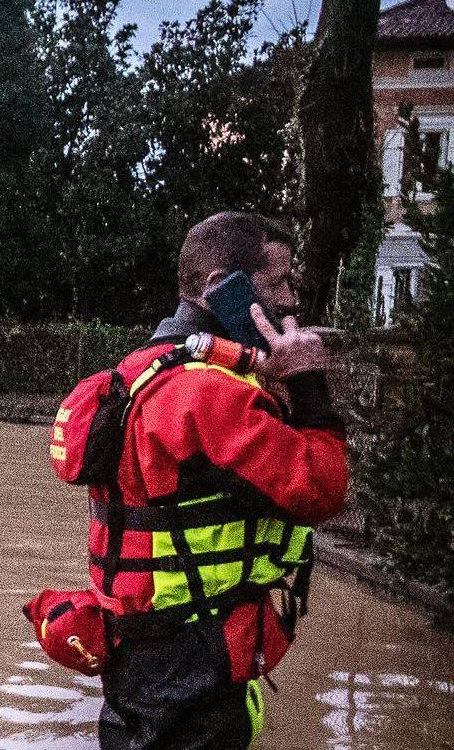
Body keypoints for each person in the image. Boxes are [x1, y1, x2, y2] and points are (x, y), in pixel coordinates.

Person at [86, 212, 347, 750]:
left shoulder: (143, 369)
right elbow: (323, 488)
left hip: (139, 664)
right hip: (195, 677)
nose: (292, 302)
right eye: (279, 284)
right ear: (220, 290)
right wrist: (309, 384)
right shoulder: (212, 395)